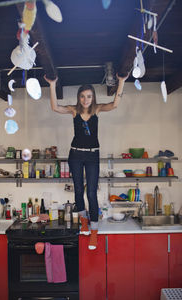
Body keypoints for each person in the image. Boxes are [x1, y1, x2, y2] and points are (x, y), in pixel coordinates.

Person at [44, 73, 128, 250]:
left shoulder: (97, 110)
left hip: (92, 156)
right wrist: (52, 85)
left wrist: (121, 81)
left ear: (93, 97)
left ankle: (94, 232)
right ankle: (84, 221)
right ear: (79, 97)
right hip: (75, 154)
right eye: (82, 96)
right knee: (77, 192)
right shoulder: (74, 111)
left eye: (89, 96)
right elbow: (54, 107)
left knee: (91, 193)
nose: (85, 99)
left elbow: (115, 104)